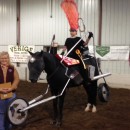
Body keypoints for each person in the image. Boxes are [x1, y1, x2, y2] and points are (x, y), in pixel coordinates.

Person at [61, 28, 97, 113]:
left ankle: (86, 79)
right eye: (70, 31)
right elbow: (65, 47)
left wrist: (89, 37)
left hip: (77, 57)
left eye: (73, 31)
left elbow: (84, 44)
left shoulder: (78, 39)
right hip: (69, 57)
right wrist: (62, 52)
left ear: (76, 32)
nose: (71, 32)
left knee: (83, 66)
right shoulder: (68, 39)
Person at [0, 51, 19, 130]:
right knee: (1, 113)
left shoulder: (12, 68)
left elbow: (17, 79)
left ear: (8, 59)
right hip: (0, 94)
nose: (4, 60)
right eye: (2, 58)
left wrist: (12, 87)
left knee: (11, 112)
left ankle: (9, 127)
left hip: (11, 93)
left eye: (6, 58)